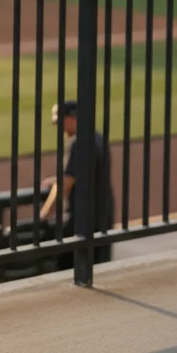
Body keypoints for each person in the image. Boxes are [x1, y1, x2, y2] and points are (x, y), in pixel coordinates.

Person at [40, 101, 115, 271]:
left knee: (66, 267)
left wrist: (44, 214)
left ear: (73, 118)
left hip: (82, 220)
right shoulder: (97, 137)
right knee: (99, 269)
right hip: (103, 215)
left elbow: (65, 185)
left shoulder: (78, 143)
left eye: (60, 122)